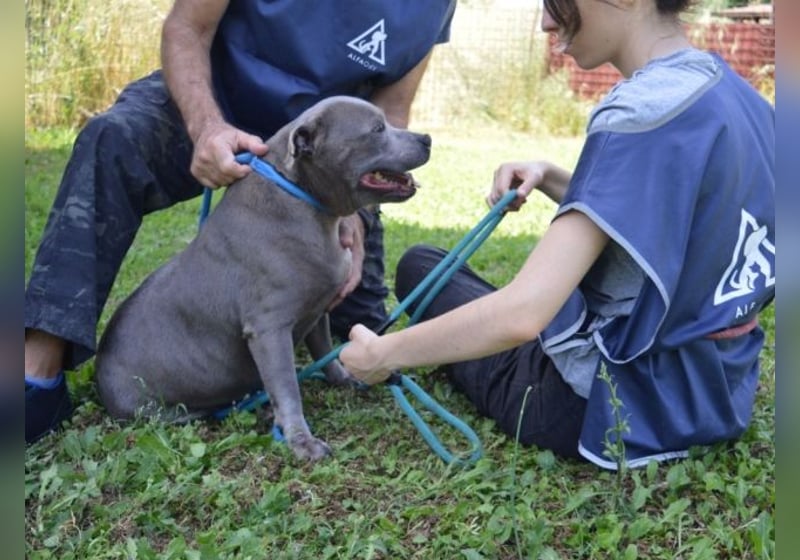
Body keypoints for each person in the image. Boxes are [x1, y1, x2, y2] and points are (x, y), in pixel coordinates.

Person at [341, 0, 775, 469]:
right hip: (716, 395)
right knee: (430, 265)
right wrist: (550, 176)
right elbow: (680, 215)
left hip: (608, 406)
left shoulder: (638, 112)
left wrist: (383, 354)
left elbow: (523, 314)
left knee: (420, 267)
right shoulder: (742, 99)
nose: (547, 20)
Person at [24, 0, 457, 444]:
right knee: (112, 140)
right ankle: (37, 371)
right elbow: (186, 28)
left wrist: (353, 208)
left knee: (357, 328)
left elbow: (392, 110)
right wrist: (206, 127)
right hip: (214, 97)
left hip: (328, 149)